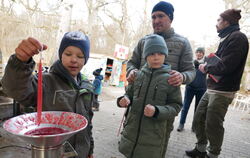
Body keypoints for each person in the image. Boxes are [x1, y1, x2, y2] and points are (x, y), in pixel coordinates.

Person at [1, 31, 95, 158]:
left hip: (81, 153)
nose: (73, 59)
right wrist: (20, 63)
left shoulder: (87, 86)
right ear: (61, 55)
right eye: (68, 54)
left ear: (86, 60)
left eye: (80, 56)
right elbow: (14, 88)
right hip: (52, 153)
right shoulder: (46, 81)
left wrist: (89, 150)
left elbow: (88, 122)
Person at [185, 9, 249, 158]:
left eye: (219, 20)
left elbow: (227, 66)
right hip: (213, 88)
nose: (216, 24)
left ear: (227, 22)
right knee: (199, 118)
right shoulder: (227, 37)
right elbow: (220, 60)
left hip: (223, 91)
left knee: (213, 123)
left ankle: (212, 154)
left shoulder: (238, 38)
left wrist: (206, 67)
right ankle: (201, 149)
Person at [117, 34, 182, 158]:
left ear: (165, 55)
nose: (156, 57)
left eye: (160, 53)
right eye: (152, 54)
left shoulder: (171, 79)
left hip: (153, 137)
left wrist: (157, 111)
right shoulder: (137, 75)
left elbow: (176, 106)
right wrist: (123, 100)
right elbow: (129, 94)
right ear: (146, 56)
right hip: (131, 133)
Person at [126, 1, 195, 87]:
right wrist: (131, 71)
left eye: (161, 16)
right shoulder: (143, 41)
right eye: (153, 17)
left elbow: (191, 71)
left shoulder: (183, 43)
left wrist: (182, 77)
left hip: (166, 99)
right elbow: (131, 63)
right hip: (139, 98)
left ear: (170, 19)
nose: (156, 21)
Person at [177, 47, 207, 132]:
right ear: (196, 53)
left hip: (201, 89)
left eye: (201, 52)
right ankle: (181, 124)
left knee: (198, 109)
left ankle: (195, 126)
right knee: (185, 106)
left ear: (203, 54)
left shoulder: (206, 64)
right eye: (197, 52)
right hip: (190, 87)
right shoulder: (191, 62)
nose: (199, 54)